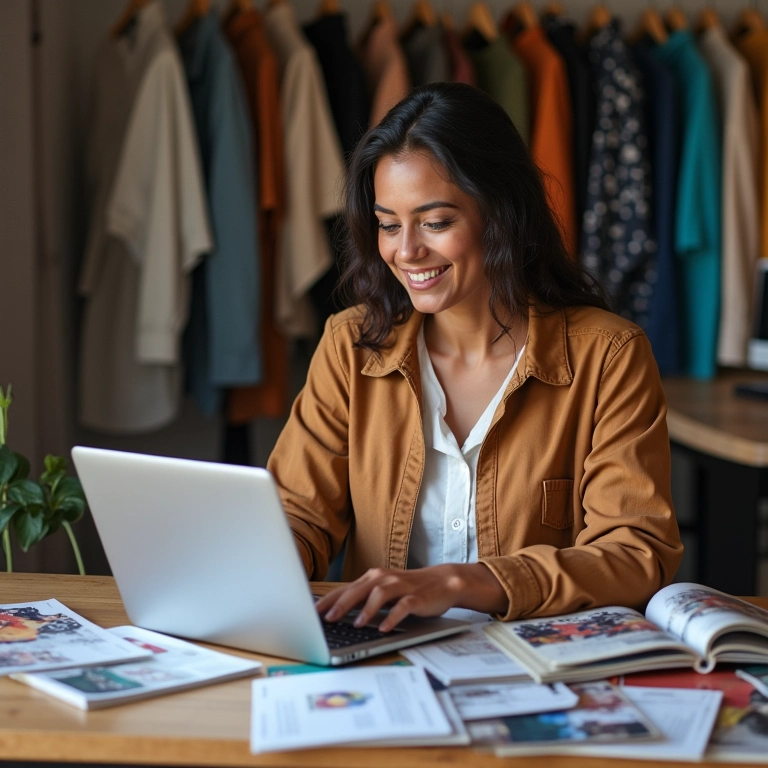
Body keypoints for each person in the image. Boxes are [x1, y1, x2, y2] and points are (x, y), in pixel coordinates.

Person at [266, 82, 683, 632]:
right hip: (382, 660)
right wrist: (263, 568)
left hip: (539, 663)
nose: (406, 250)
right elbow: (296, 515)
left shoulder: (608, 357)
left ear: (501, 213)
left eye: (436, 222)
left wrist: (462, 582)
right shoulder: (351, 347)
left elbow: (636, 553)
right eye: (389, 224)